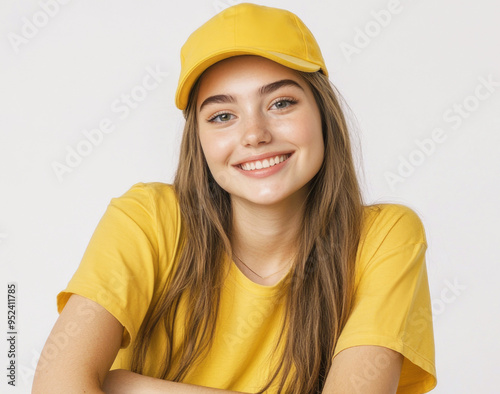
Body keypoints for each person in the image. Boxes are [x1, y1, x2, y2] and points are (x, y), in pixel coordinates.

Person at [32, 3, 437, 393]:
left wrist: (130, 388)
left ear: (323, 114)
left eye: (281, 103)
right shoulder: (149, 218)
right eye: (223, 115)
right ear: (200, 140)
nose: (255, 134)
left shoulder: (385, 237)